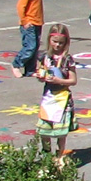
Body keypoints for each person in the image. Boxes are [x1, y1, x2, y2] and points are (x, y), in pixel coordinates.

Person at [34, 23, 76, 155]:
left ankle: (59, 154)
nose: (57, 45)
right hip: (49, 97)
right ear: (49, 40)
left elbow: (73, 80)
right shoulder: (44, 57)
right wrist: (40, 76)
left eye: (61, 43)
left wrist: (59, 81)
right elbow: (41, 72)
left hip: (63, 98)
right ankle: (46, 153)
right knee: (44, 129)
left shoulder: (67, 59)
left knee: (60, 132)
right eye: (55, 42)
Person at [14, 0, 45, 76]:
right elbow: (20, 6)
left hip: (37, 22)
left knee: (35, 47)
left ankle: (30, 70)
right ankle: (16, 64)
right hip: (29, 23)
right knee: (30, 47)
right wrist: (24, 21)